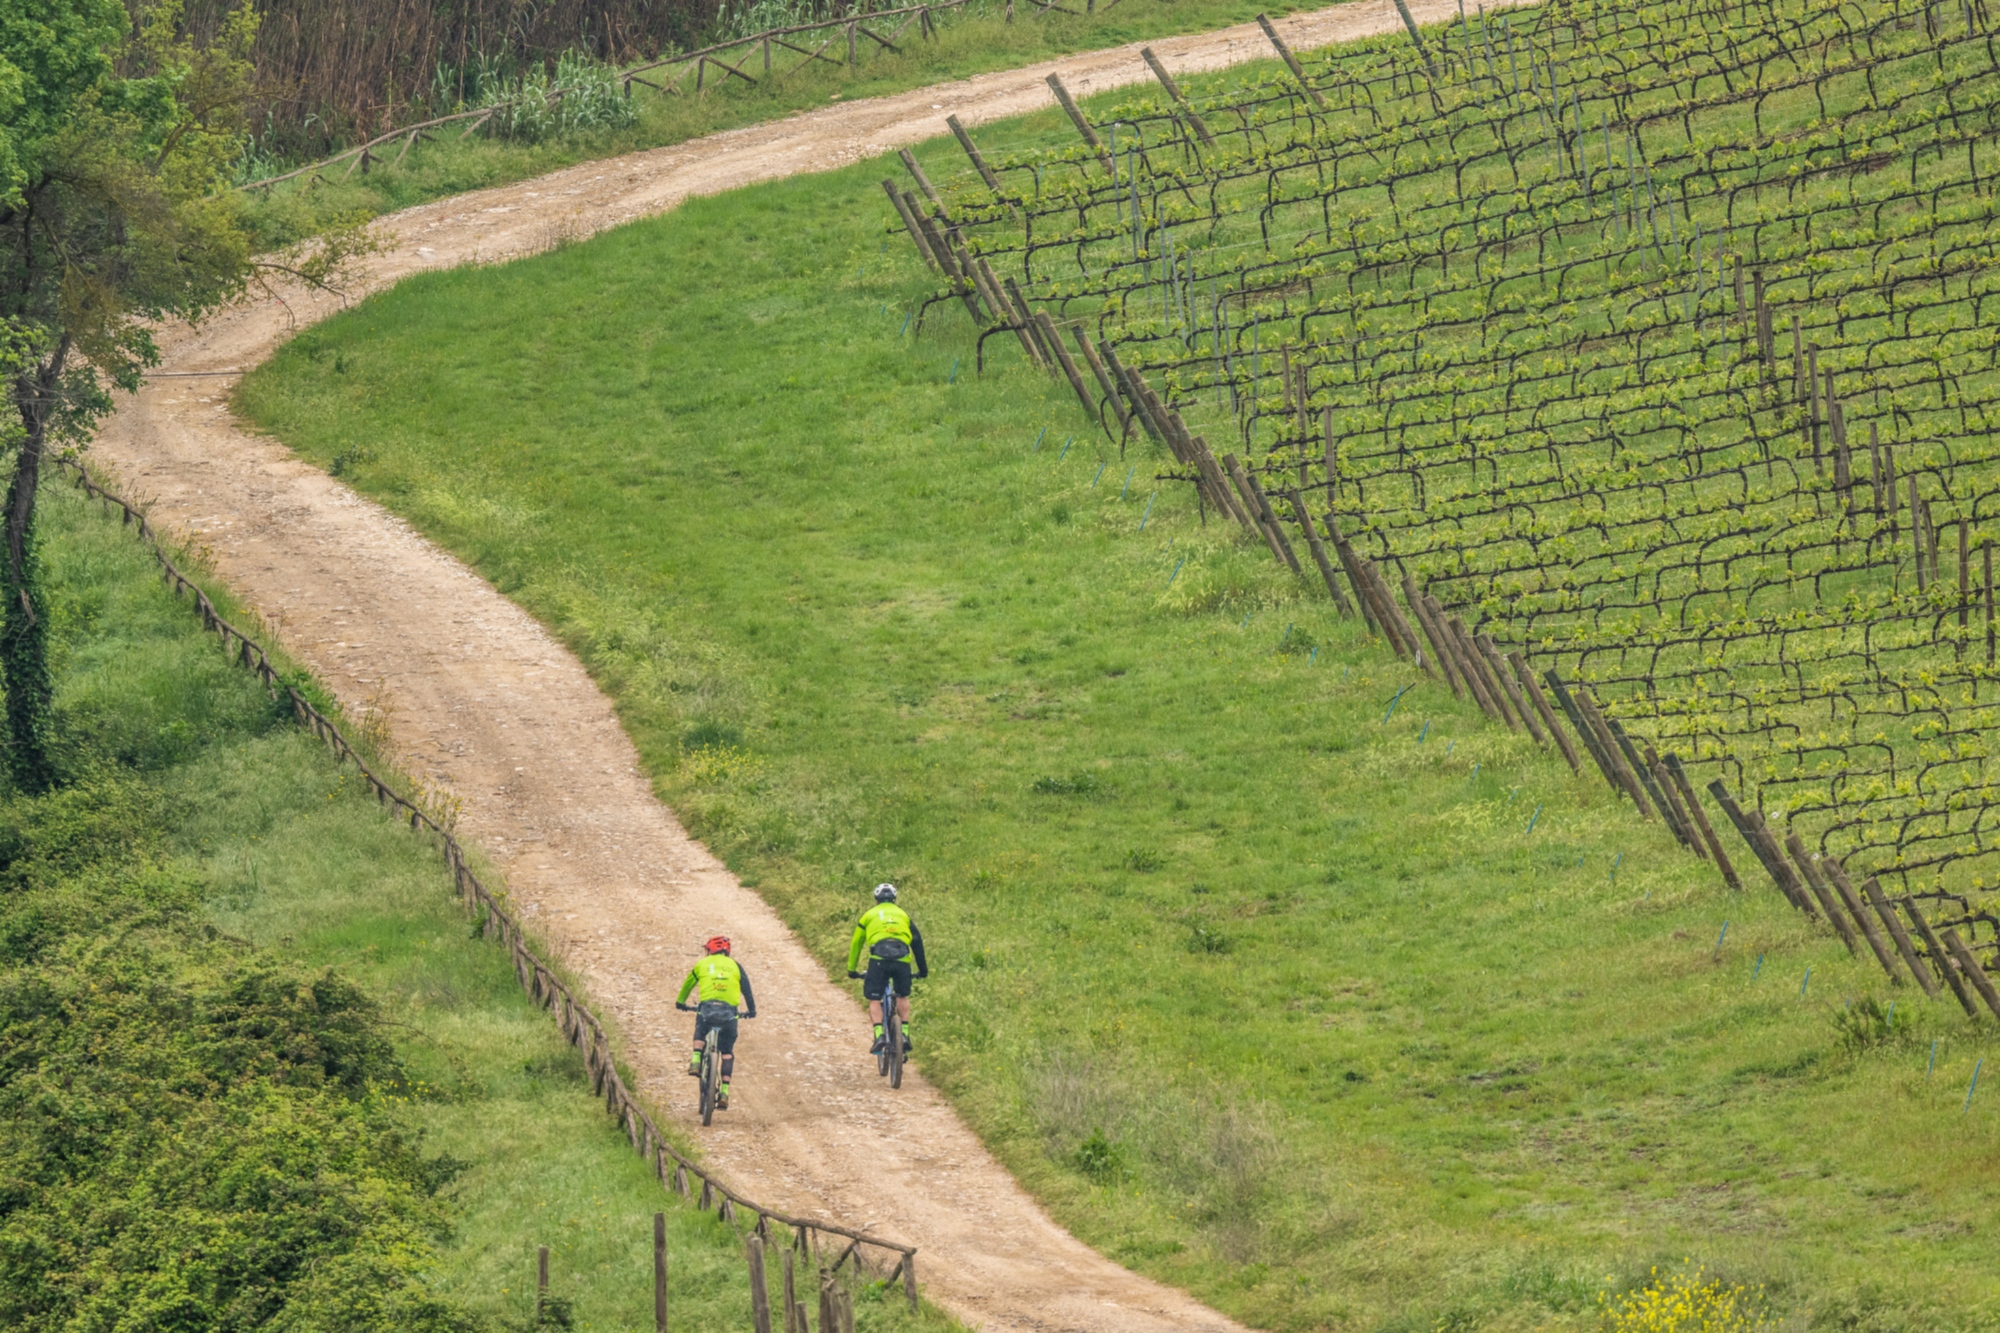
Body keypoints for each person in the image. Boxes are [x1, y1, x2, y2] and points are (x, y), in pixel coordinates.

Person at [675, 936, 756, 1110]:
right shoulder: (736, 966)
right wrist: (751, 1011)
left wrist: (680, 1002)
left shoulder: (702, 964)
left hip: (707, 1010)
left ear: (709, 950)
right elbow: (747, 990)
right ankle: (725, 1092)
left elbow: (688, 985)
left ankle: (696, 1059)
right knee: (727, 1052)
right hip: (729, 1014)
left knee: (700, 1029)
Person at [845, 883, 927, 1054]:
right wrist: (923, 970)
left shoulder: (868, 915)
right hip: (902, 959)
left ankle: (879, 1036)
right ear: (894, 900)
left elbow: (856, 943)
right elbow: (917, 941)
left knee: (874, 999)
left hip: (879, 960)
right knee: (903, 995)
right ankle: (904, 1034)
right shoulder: (903, 915)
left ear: (876, 901)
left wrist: (851, 970)